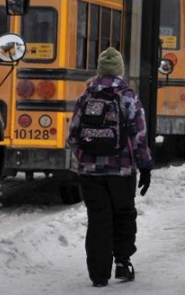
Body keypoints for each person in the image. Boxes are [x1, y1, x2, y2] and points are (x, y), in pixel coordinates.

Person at [67, 47, 152, 288]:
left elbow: (73, 135)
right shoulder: (127, 96)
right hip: (122, 171)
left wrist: (85, 158)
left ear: (99, 70)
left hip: (90, 172)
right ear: (120, 71)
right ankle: (123, 263)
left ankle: (98, 275)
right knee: (124, 214)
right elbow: (139, 134)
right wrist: (144, 165)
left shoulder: (85, 97)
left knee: (98, 219)